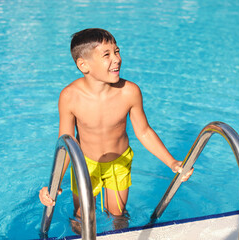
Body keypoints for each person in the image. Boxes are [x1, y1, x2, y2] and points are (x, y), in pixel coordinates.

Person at [39, 28, 193, 220]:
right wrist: (54, 183)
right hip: (85, 165)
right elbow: (66, 143)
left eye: (117, 51)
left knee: (118, 215)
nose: (117, 59)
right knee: (82, 216)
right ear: (83, 65)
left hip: (119, 163)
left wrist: (171, 162)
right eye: (107, 55)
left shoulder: (129, 92)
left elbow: (143, 132)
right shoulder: (70, 97)